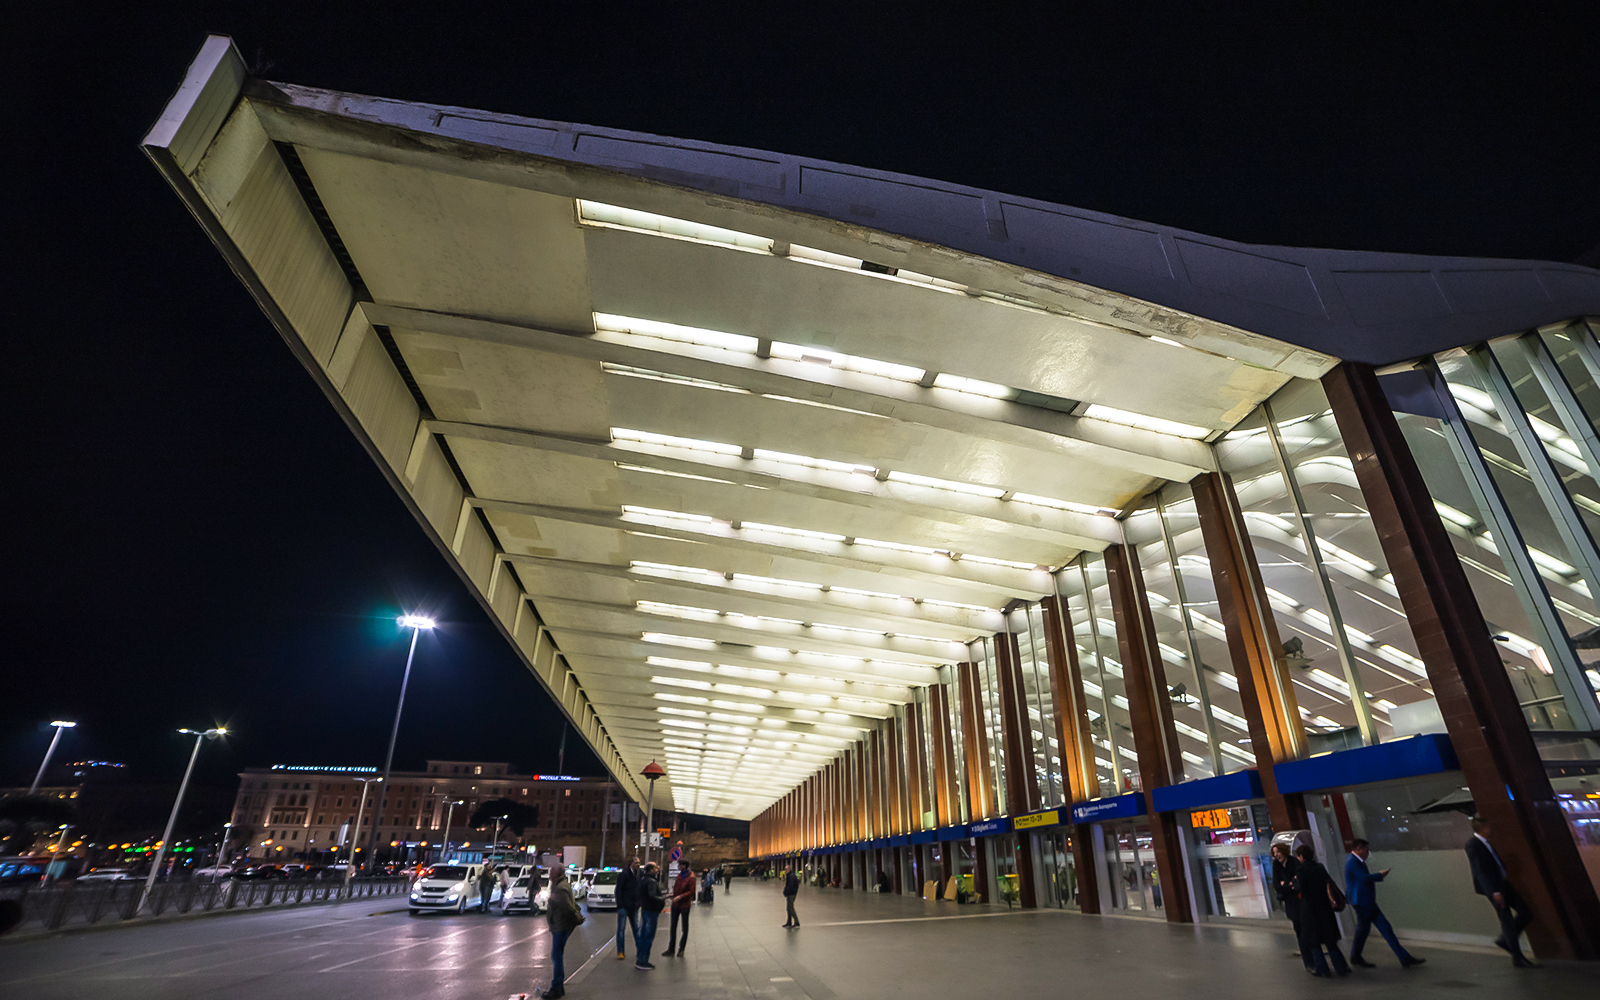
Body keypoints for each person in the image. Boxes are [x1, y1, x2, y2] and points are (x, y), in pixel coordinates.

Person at [1465, 815, 1537, 968]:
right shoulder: (1473, 845)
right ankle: (1517, 956)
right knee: (1508, 921)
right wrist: (1493, 891)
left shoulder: (1484, 843)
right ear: (1483, 829)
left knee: (1525, 913)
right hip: (1496, 888)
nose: (1491, 830)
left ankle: (1506, 941)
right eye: (1489, 827)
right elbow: (1479, 870)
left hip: (1502, 884)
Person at [1344, 838, 1424, 968]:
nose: (1367, 853)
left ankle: (1402, 957)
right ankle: (1403, 957)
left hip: (1364, 901)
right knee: (1377, 929)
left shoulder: (1356, 862)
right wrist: (1380, 875)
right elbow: (1363, 878)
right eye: (1366, 850)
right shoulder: (1353, 863)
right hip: (1362, 902)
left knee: (1369, 929)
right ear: (1359, 848)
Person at [1292, 844, 1349, 978]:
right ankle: (1341, 967)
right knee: (1330, 941)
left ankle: (1322, 968)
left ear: (1301, 857)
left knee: (1314, 942)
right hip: (1324, 908)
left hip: (1310, 910)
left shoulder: (1301, 871)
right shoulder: (1320, 867)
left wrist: (1294, 884)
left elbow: (1302, 889)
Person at [1270, 843, 1312, 970]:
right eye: (1274, 853)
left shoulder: (1294, 863)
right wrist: (1289, 885)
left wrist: (1286, 885)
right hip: (1291, 903)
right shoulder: (1276, 866)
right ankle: (1308, 962)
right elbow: (1277, 886)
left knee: (1307, 930)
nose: (1276, 855)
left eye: (1278, 851)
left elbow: (1298, 883)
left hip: (1301, 901)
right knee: (1299, 931)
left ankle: (1313, 957)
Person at [545, 868, 584, 999]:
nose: (550, 874)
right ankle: (559, 987)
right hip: (560, 924)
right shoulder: (560, 885)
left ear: (557, 874)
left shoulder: (560, 888)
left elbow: (567, 907)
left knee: (557, 956)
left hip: (561, 925)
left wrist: (575, 918)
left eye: (552, 872)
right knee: (557, 955)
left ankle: (556, 988)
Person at [635, 861, 665, 970]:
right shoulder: (652, 881)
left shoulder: (643, 879)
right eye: (655, 868)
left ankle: (640, 957)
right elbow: (652, 896)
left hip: (645, 909)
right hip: (651, 911)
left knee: (643, 935)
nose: (657, 870)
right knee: (648, 936)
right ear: (651, 870)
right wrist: (664, 898)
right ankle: (643, 961)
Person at [666, 864, 695, 957]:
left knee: (684, 927)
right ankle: (671, 949)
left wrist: (679, 897)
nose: (678, 866)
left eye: (680, 865)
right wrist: (673, 894)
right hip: (675, 904)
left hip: (685, 905)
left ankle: (681, 949)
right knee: (673, 926)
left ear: (685, 866)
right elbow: (677, 887)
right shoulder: (679, 875)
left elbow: (691, 891)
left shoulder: (691, 877)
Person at [615, 857, 641, 961]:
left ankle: (640, 950)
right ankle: (620, 951)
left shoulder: (639, 874)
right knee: (621, 929)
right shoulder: (624, 875)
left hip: (634, 906)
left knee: (636, 929)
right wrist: (620, 905)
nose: (638, 865)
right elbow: (619, 890)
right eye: (636, 863)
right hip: (624, 906)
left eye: (639, 863)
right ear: (631, 864)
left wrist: (639, 903)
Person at [782, 862, 800, 928]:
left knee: (790, 908)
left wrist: (786, 892)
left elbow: (790, 886)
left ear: (789, 869)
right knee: (788, 908)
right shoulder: (789, 875)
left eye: (786, 869)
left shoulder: (791, 876)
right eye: (785, 869)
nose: (785, 871)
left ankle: (796, 922)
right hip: (790, 894)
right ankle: (789, 922)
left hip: (791, 894)